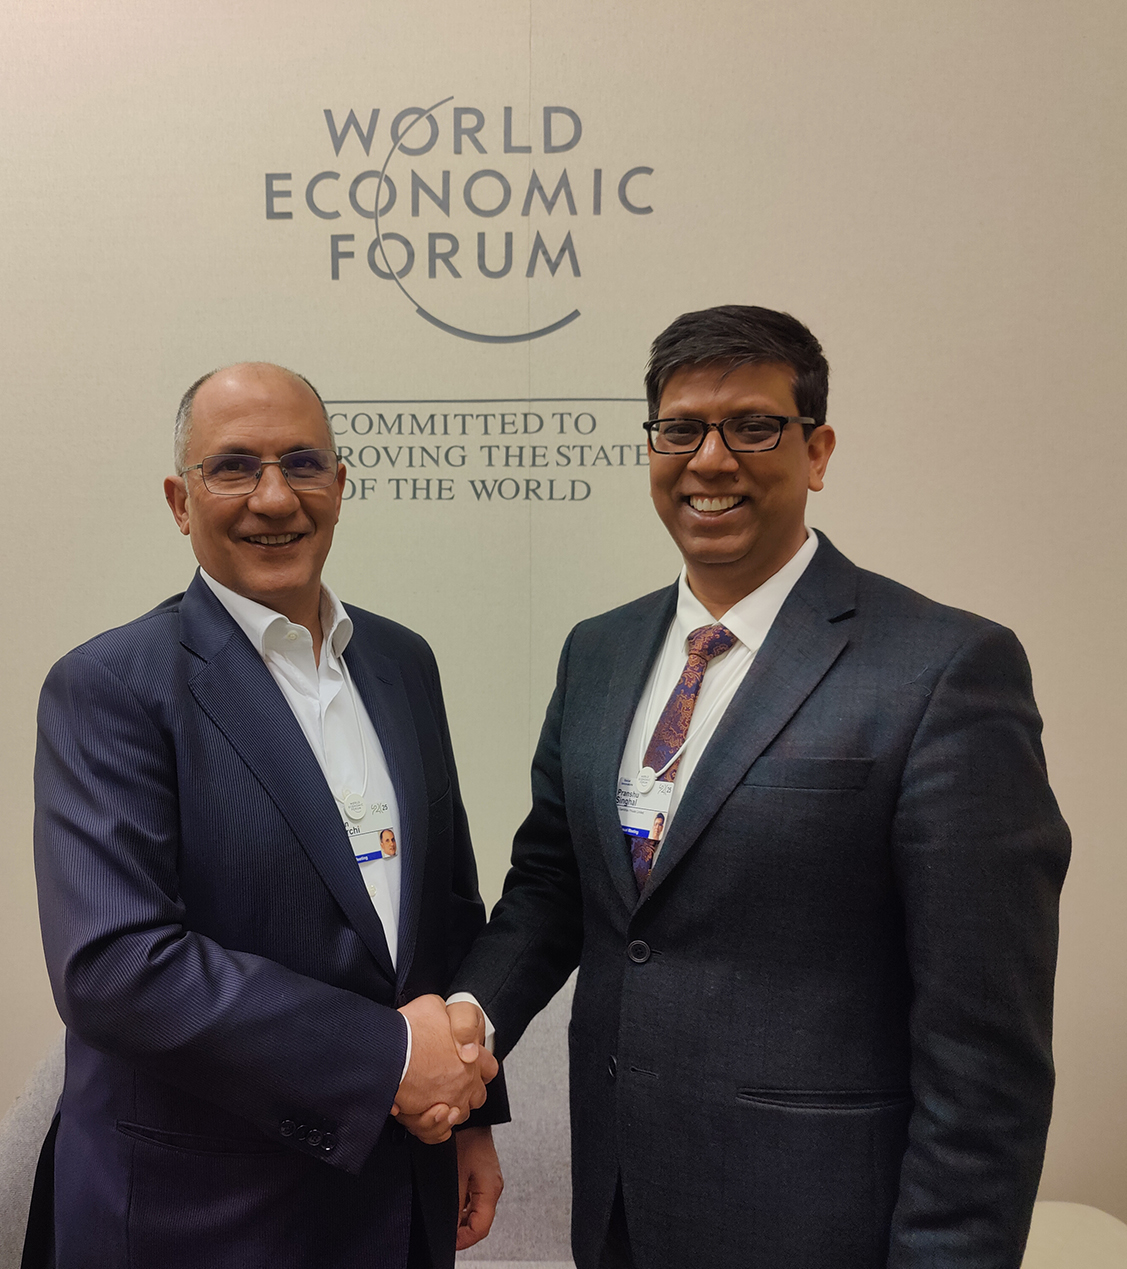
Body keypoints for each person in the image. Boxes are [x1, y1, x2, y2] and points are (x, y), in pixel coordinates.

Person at [444, 307, 1070, 1268]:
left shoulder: (944, 668)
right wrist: (468, 1022)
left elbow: (985, 1049)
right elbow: (553, 888)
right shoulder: (599, 652)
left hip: (821, 1226)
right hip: (621, 1212)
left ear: (816, 451)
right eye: (681, 429)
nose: (711, 458)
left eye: (753, 426)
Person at [31, 363, 505, 1269]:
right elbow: (115, 966)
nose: (275, 497)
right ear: (180, 501)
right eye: (234, 467)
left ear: (340, 485)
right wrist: (390, 1059)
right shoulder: (111, 686)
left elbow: (445, 912)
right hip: (204, 1216)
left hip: (402, 1188)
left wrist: (470, 1112)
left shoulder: (402, 661)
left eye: (303, 463)